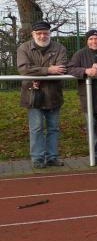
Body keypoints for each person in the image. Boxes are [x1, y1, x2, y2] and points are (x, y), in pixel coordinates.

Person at [17, 20, 68, 169]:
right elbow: (23, 69)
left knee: (53, 128)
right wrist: (48, 70)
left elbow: (61, 68)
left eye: (45, 33)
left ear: (49, 33)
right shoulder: (24, 48)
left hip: (53, 94)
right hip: (32, 95)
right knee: (36, 128)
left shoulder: (60, 48)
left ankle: (52, 157)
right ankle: (37, 158)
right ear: (33, 34)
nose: (42, 36)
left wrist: (37, 72)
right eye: (39, 33)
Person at [67, 28, 97, 164]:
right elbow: (70, 68)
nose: (94, 41)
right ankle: (95, 154)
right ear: (87, 41)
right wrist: (86, 70)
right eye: (91, 39)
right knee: (91, 128)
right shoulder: (80, 54)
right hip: (88, 96)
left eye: (96, 39)